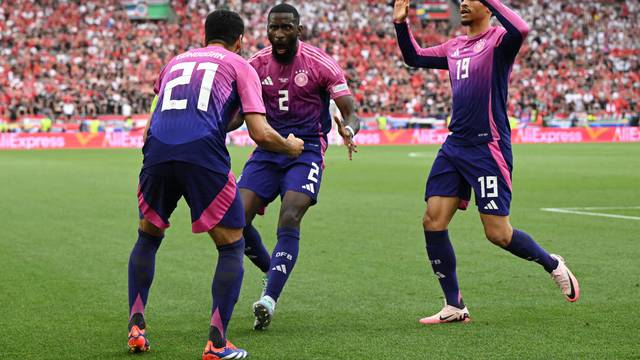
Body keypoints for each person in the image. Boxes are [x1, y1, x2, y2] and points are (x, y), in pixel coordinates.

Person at [127, 9, 304, 359]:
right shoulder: (240, 65)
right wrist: (290, 146)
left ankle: (136, 327)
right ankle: (217, 343)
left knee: (147, 237)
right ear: (239, 40)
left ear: (204, 35)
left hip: (158, 151)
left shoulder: (175, 62)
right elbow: (260, 132)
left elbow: (151, 125)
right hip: (203, 155)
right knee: (231, 245)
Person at [393, 0, 580, 324]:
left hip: (487, 148)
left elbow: (521, 28)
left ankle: (552, 264)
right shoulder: (454, 46)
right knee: (432, 221)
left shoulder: (498, 41)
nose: (463, 3)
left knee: (498, 234)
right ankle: (454, 306)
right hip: (455, 146)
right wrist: (401, 24)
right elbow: (413, 56)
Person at [231, 3, 361, 331]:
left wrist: (349, 129)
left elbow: (350, 111)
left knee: (289, 215)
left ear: (299, 30)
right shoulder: (255, 65)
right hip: (267, 150)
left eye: (286, 27)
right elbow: (235, 113)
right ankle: (272, 269)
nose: (279, 34)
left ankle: (269, 299)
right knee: (234, 219)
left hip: (306, 151)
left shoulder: (319, 63)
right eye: (273, 27)